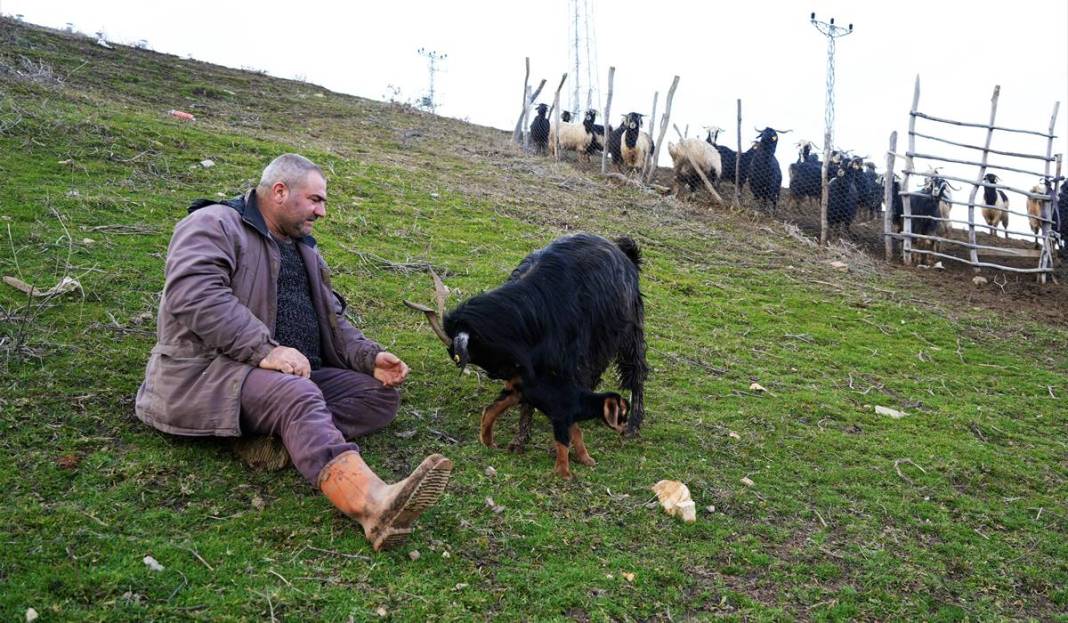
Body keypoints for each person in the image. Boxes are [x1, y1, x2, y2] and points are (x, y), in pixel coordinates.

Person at [135, 153, 451, 551]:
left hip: (289, 374)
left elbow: (331, 320)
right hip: (213, 373)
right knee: (298, 396)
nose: (322, 212)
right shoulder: (214, 224)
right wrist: (264, 350)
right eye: (315, 200)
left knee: (377, 397)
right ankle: (373, 506)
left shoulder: (304, 250)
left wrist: (368, 357)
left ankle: (283, 438)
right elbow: (194, 295)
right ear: (280, 191)